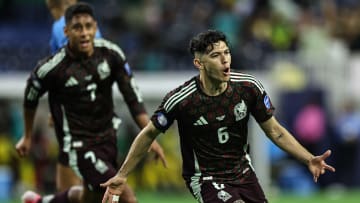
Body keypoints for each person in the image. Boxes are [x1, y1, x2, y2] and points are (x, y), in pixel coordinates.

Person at [100, 30, 335, 203]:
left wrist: (308, 158)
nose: (225, 60)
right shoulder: (182, 99)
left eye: (227, 52)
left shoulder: (248, 88)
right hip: (204, 178)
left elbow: (275, 130)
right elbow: (148, 133)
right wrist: (122, 174)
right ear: (198, 63)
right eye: (215, 55)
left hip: (243, 172)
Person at [15, 2, 167, 203]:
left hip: (107, 136)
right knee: (124, 196)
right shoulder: (53, 68)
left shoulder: (111, 54)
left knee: (90, 196)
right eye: (78, 28)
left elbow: (133, 99)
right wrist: (26, 136)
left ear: (96, 27)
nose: (84, 33)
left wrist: (150, 136)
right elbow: (30, 96)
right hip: (78, 143)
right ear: (66, 31)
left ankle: (42, 202)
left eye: (88, 27)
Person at [45, 0, 103, 193]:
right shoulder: (89, 29)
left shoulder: (63, 27)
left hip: (80, 113)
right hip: (82, 112)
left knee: (82, 183)